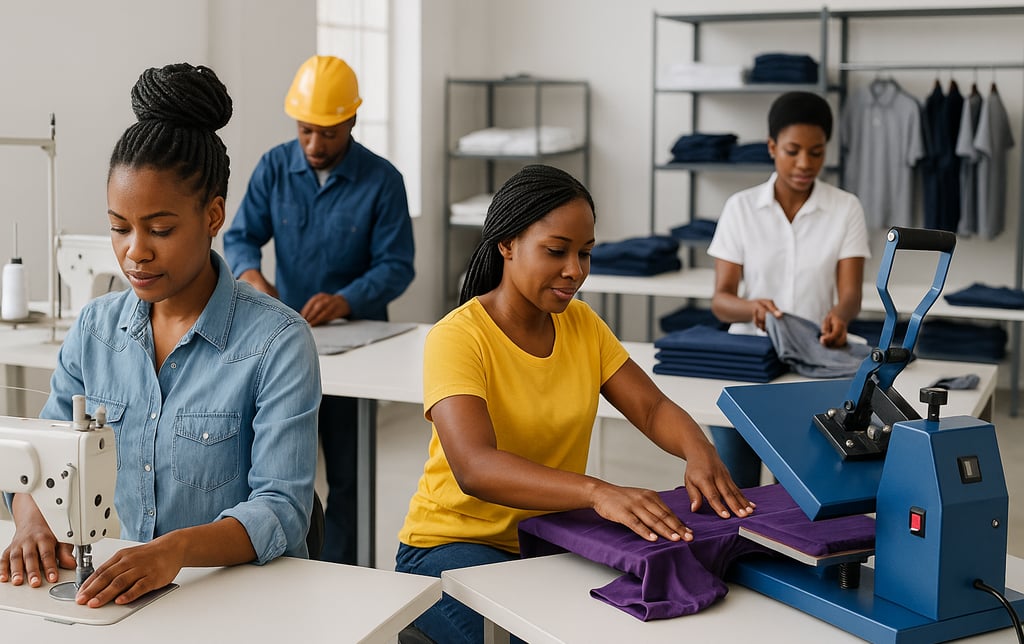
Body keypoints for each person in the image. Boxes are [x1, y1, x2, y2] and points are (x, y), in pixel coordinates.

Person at [0, 63, 321, 607]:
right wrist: (31, 519)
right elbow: (47, 451)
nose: (135, 252)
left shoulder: (277, 342)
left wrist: (172, 551)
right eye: (120, 228)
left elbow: (281, 509)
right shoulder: (96, 330)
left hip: (242, 601)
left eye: (161, 229)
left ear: (213, 215)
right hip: (125, 586)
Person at [394, 164, 755, 644]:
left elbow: (650, 409)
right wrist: (596, 492)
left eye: (585, 253)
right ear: (507, 244)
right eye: (556, 251)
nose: (575, 271)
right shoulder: (458, 338)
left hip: (548, 544)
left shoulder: (582, 325)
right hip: (449, 548)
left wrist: (700, 451)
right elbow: (474, 466)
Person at [223, 55, 415, 565]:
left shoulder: (384, 181)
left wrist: (346, 299)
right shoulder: (273, 167)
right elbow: (240, 236)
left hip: (357, 347)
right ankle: (289, 569)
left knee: (349, 472)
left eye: (327, 133)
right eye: (306, 131)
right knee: (277, 467)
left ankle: (345, 575)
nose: (314, 145)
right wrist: (252, 276)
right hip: (285, 343)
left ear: (352, 120)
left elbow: (398, 265)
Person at [706, 91, 871, 488]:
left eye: (816, 153)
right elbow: (721, 301)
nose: (804, 164)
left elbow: (850, 294)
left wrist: (839, 316)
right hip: (748, 367)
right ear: (772, 147)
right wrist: (752, 309)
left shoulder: (845, 208)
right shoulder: (741, 208)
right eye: (793, 151)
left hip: (812, 367)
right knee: (736, 488)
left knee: (798, 491)